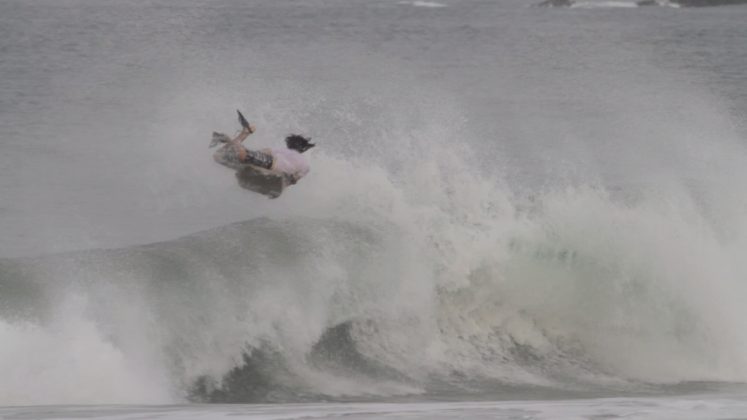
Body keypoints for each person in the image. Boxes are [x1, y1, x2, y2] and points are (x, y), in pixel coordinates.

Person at [211, 110, 315, 186]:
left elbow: (265, 151)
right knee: (242, 155)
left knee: (219, 157)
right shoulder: (306, 165)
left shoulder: (284, 151)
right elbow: (294, 180)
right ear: (303, 149)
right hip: (269, 165)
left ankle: (243, 134)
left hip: (267, 164)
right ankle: (242, 134)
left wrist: (252, 155)